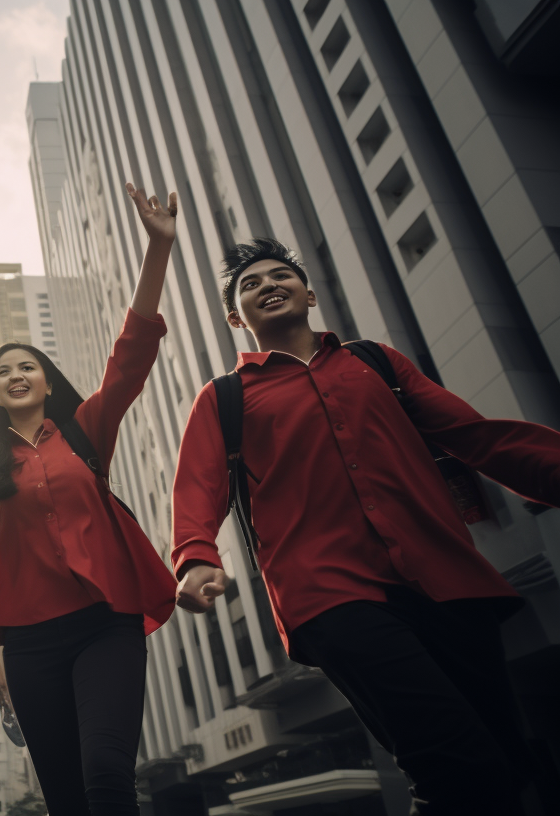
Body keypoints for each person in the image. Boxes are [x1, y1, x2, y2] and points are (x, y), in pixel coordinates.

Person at [170, 238, 560, 814]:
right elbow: (198, 484)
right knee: (448, 755)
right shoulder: (224, 398)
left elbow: (479, 437)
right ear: (235, 317)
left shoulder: (375, 362)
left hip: (444, 577)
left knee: (504, 763)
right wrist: (197, 554)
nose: (268, 285)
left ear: (308, 293)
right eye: (250, 285)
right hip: (328, 592)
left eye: (282, 275)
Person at [0, 185, 179, 816]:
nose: (15, 375)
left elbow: (131, 354)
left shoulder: (85, 428)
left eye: (26, 366)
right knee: (63, 794)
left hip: (106, 622)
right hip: (30, 641)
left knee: (106, 775)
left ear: (46, 380)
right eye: (2, 372)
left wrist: (157, 249)